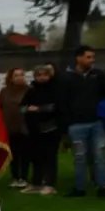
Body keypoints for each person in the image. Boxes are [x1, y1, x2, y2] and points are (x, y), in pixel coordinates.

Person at [58, 45, 105, 197]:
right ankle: (79, 188)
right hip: (76, 125)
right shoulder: (66, 77)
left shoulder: (98, 75)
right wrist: (65, 127)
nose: (92, 60)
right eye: (88, 57)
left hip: (97, 123)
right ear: (78, 58)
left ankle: (102, 187)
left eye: (93, 57)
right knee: (80, 157)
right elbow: (62, 103)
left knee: (99, 156)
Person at [21, 65, 59, 195]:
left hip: (50, 128)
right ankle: (36, 183)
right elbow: (22, 107)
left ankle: (49, 184)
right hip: (33, 129)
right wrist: (27, 109)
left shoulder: (54, 89)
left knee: (50, 157)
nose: (42, 78)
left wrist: (38, 109)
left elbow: (56, 107)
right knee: (35, 157)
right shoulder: (31, 90)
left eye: (45, 75)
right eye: (39, 75)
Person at [0, 68, 32, 188]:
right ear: (11, 78)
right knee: (13, 154)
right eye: (16, 75)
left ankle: (24, 177)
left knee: (25, 154)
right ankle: (15, 177)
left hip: (25, 126)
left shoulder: (29, 91)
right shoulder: (4, 92)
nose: (19, 77)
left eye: (21, 75)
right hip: (9, 126)